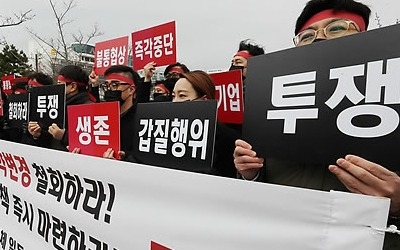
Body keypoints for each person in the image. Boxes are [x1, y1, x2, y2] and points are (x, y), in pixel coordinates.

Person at [233, 0, 400, 248]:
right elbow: (258, 183)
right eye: (307, 35)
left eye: (337, 28)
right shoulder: (273, 101)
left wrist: (397, 205)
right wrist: (250, 173)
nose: (318, 39)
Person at [171, 70, 241, 177]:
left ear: (204, 100)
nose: (175, 102)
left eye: (182, 96)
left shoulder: (227, 138)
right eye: (173, 96)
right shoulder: (169, 133)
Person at [27, 65, 94, 151]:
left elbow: (93, 142)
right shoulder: (56, 106)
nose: (57, 88)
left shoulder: (89, 108)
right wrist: (38, 134)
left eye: (60, 84)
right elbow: (51, 141)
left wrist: (64, 136)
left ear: (73, 87)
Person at [99, 65, 146, 158]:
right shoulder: (101, 120)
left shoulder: (142, 122)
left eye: (114, 85)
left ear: (131, 90)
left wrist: (125, 158)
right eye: (106, 86)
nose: (109, 90)